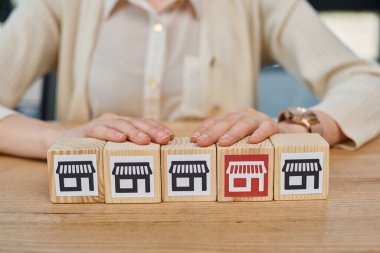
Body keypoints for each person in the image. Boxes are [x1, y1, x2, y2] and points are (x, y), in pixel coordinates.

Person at [0, 0, 379, 159]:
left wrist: (298, 129)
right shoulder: (56, 5)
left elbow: (368, 83)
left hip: (225, 213)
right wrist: (54, 136)